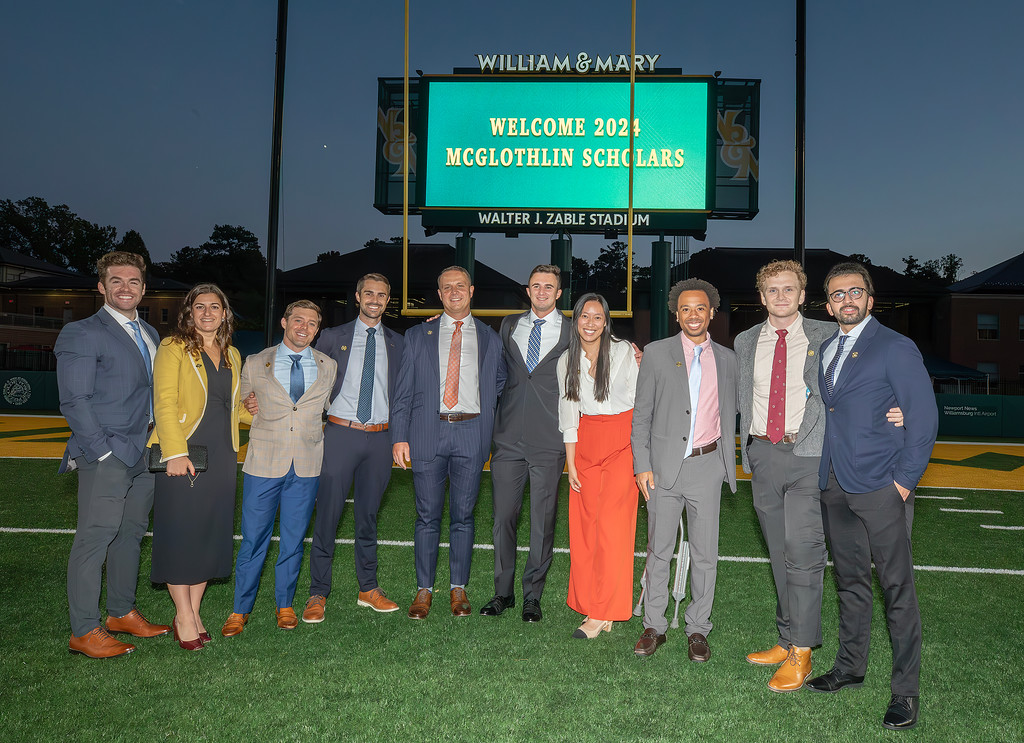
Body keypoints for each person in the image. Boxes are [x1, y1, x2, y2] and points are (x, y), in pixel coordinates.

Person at [737, 260, 907, 691]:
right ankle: (785, 636)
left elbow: (862, 377)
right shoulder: (742, 341)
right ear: (761, 296)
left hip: (810, 455)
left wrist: (898, 406)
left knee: (804, 551)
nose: (780, 296)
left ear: (802, 294)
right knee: (778, 552)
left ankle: (803, 651)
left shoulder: (826, 335)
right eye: (772, 290)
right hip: (762, 453)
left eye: (788, 289)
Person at [805, 262, 937, 732]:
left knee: (897, 589)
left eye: (854, 292)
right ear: (828, 304)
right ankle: (849, 667)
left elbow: (923, 420)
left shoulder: (896, 347)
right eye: (837, 294)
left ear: (870, 299)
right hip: (835, 484)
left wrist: (903, 482)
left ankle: (905, 692)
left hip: (882, 484)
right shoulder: (825, 349)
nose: (846, 300)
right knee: (850, 582)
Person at [56, 251, 171, 658]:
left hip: (144, 454)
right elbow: (74, 400)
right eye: (117, 281)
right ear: (101, 287)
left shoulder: (151, 334)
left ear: (143, 288)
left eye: (134, 282)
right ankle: (84, 630)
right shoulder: (82, 333)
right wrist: (102, 453)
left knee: (130, 536)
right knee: (95, 538)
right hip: (107, 453)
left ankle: (121, 612)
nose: (126, 288)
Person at [391, 266, 506, 619]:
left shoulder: (492, 336)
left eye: (460, 286)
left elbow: (499, 383)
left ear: (471, 291)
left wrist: (482, 416)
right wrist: (399, 436)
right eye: (446, 287)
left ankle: (459, 588)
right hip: (427, 432)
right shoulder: (416, 335)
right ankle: (424, 590)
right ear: (439, 295)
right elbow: (403, 391)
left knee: (463, 516)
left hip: (471, 433)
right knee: (426, 517)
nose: (454, 291)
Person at [632, 278, 737, 661]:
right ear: (676, 314)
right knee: (659, 550)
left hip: (708, 466)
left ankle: (697, 628)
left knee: (706, 553)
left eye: (701, 308)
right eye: (686, 308)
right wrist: (641, 465)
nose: (694, 315)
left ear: (712, 313)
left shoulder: (728, 359)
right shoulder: (657, 353)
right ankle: (654, 626)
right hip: (661, 468)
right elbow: (641, 414)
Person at [220, 301, 337, 637]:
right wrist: (246, 405)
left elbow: (329, 410)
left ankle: (284, 605)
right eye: (297, 320)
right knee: (253, 540)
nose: (304, 327)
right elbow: (238, 404)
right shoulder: (256, 362)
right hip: (263, 464)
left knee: (293, 541)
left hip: (307, 464)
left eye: (312, 323)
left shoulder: (328, 365)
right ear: (285, 322)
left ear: (318, 329)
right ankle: (240, 609)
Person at [149, 283, 250, 650]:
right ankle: (184, 616)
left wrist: (254, 412)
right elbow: (163, 401)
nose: (207, 313)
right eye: (200, 307)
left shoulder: (233, 354)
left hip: (222, 455)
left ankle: (193, 610)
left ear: (225, 313)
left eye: (215, 307)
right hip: (184, 453)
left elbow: (230, 407)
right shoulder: (173, 347)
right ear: (189, 313)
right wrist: (174, 452)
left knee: (208, 534)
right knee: (181, 534)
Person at [301, 274, 404, 622]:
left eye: (382, 295)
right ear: (358, 296)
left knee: (368, 518)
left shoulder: (398, 342)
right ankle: (318, 592)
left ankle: (368, 588)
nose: (375, 299)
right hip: (340, 434)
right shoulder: (332, 336)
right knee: (327, 515)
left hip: (379, 438)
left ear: (388, 300)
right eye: (369, 293)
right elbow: (304, 373)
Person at [482, 264, 571, 623]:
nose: (542, 292)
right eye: (536, 286)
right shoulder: (508, 325)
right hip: (507, 439)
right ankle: (503, 593)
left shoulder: (572, 329)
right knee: (503, 517)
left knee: (542, 522)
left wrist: (630, 347)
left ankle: (533, 595)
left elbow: (602, 346)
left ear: (559, 293)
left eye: (549, 287)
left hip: (550, 439)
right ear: (528, 289)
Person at [556, 292, 640, 639]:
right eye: (584, 317)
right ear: (576, 320)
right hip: (586, 443)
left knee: (613, 528)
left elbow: (642, 401)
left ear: (607, 322)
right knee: (585, 528)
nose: (590, 324)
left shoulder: (625, 353)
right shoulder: (566, 360)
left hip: (623, 441)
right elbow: (569, 414)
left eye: (597, 317)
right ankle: (590, 600)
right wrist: (571, 463)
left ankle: (602, 611)